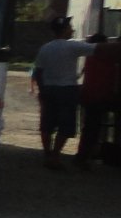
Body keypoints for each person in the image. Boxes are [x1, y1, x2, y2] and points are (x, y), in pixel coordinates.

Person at [34, 17, 121, 170]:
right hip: (67, 90)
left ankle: (48, 154)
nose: (72, 30)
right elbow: (100, 49)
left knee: (47, 124)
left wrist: (42, 91)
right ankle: (55, 155)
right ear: (64, 29)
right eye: (70, 27)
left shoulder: (45, 48)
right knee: (65, 125)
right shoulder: (72, 46)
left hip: (49, 88)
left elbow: (38, 72)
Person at [74, 33, 118, 170]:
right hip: (100, 96)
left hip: (91, 96)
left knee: (91, 128)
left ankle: (85, 155)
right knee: (92, 128)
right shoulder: (105, 56)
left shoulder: (91, 56)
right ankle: (85, 156)